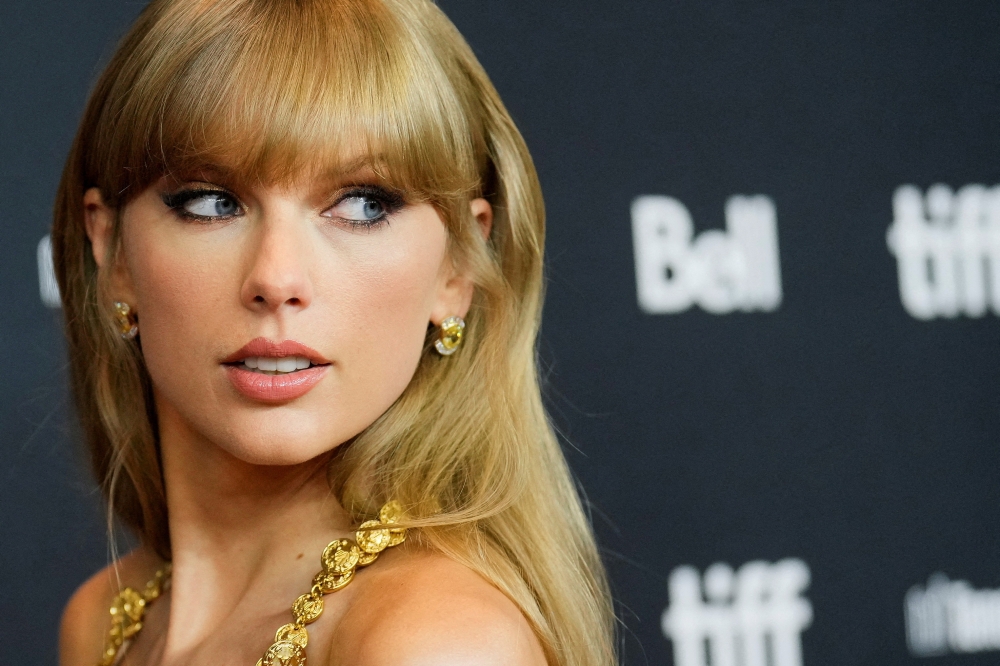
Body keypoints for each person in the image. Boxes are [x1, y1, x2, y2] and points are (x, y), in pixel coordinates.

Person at [53, 0, 615, 664]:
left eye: (363, 204)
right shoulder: (102, 622)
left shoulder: (433, 639)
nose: (276, 277)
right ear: (113, 251)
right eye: (210, 202)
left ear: (459, 266)